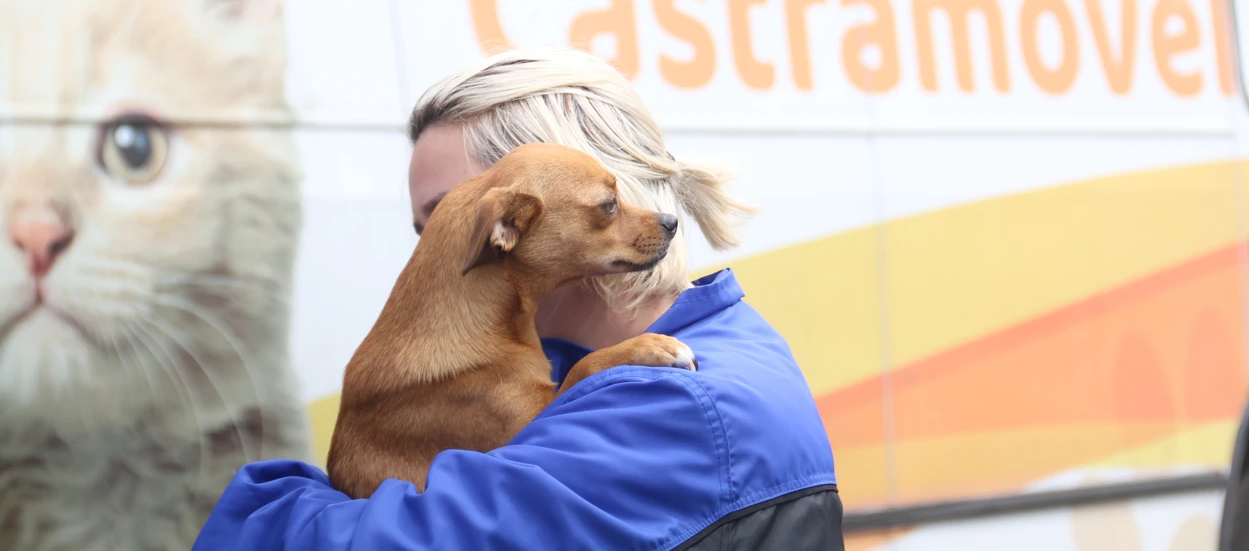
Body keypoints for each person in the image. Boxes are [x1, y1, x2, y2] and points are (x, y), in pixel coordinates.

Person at [193, 47, 842, 550]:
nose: (439, 250)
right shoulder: (696, 346)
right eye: (427, 231)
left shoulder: (670, 405)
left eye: (454, 214)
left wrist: (265, 504)